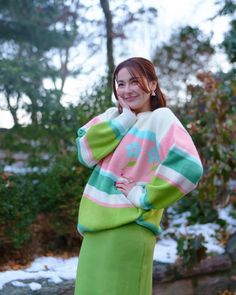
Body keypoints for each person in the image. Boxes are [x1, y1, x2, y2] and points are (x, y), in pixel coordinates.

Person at [74, 57, 203, 295]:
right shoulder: (112, 116)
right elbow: (85, 152)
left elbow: (189, 165)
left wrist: (142, 195)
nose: (126, 90)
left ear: (152, 84)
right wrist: (124, 120)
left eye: (134, 82)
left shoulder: (160, 119)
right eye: (120, 84)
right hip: (93, 229)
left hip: (130, 228)